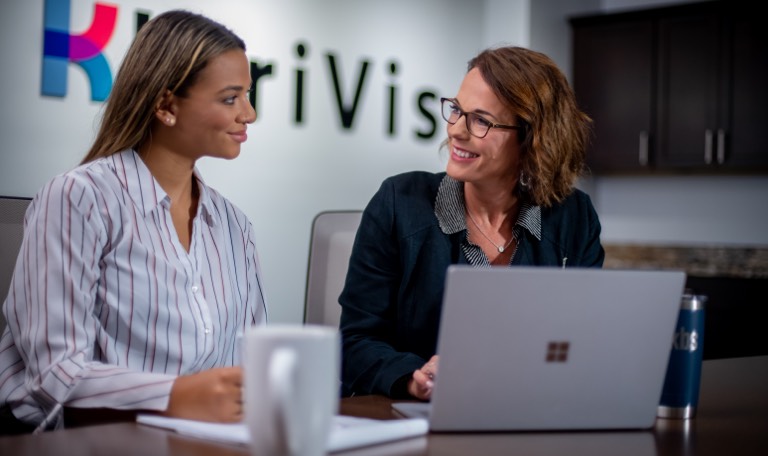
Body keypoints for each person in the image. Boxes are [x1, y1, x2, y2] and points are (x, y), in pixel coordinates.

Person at [0, 10, 265, 434]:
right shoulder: (80, 198)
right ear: (166, 105)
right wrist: (176, 395)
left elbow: (250, 369)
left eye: (248, 95)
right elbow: (55, 375)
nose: (248, 114)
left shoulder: (235, 226)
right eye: (230, 98)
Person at [339, 46, 605, 400]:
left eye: (480, 120)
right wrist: (411, 377)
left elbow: (587, 344)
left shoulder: (574, 217)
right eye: (457, 111)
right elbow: (354, 342)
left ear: (531, 140)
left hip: (532, 416)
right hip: (416, 425)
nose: (456, 131)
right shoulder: (398, 203)